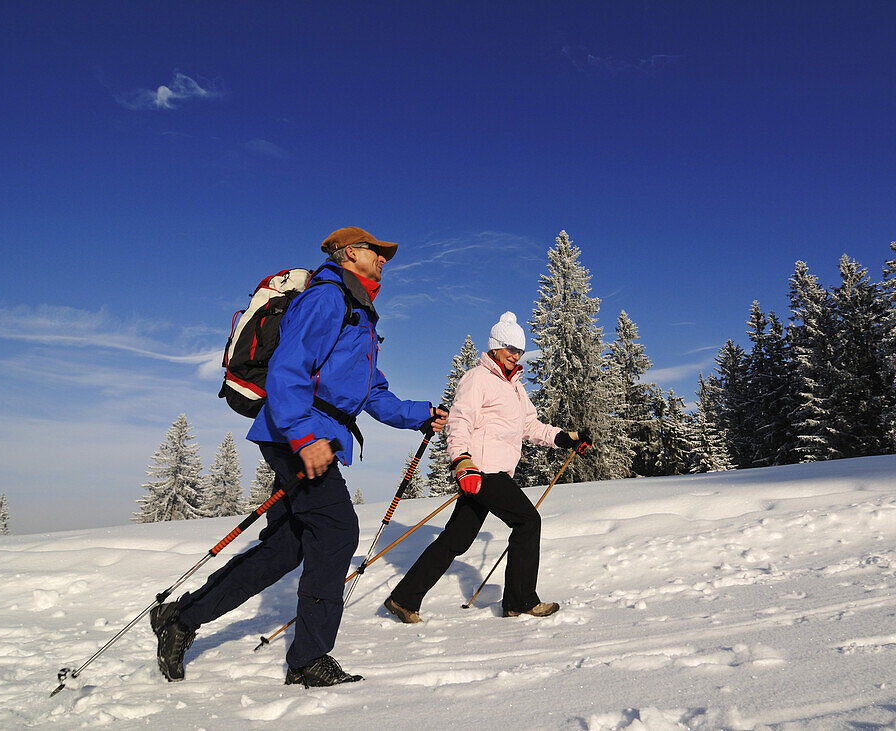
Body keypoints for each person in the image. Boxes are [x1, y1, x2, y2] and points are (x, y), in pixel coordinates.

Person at [150, 226, 447, 687]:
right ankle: (308, 659)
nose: (384, 259)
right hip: (300, 434)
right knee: (337, 530)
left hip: (309, 433)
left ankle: (181, 618)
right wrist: (304, 437)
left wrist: (422, 415)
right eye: (377, 252)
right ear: (350, 253)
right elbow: (289, 367)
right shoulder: (328, 298)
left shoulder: (359, 312)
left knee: (285, 548)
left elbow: (373, 392)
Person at [384, 311, 591, 623]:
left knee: (456, 539)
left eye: (519, 350)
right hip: (481, 470)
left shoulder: (516, 389)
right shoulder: (477, 379)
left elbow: (531, 426)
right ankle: (519, 601)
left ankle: (404, 599)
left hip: (491, 473)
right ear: (494, 347)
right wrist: (462, 461)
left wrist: (564, 437)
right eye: (509, 348)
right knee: (527, 522)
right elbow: (459, 421)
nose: (514, 355)